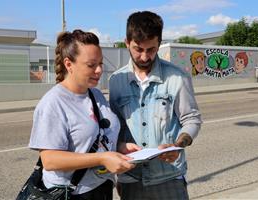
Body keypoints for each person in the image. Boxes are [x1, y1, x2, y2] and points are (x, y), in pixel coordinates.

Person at [29, 29, 140, 200]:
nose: (99, 70)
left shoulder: (95, 94)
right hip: (71, 193)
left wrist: (120, 148)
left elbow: (96, 139)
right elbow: (50, 160)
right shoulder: (53, 103)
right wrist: (102, 158)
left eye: (101, 64)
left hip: (101, 187)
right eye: (91, 65)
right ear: (68, 64)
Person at [109, 11, 202, 200]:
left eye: (151, 50)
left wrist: (177, 146)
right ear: (126, 42)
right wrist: (119, 153)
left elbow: (191, 119)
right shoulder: (115, 81)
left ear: (159, 43)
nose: (144, 57)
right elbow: (114, 128)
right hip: (130, 179)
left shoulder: (177, 77)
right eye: (138, 49)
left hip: (168, 178)